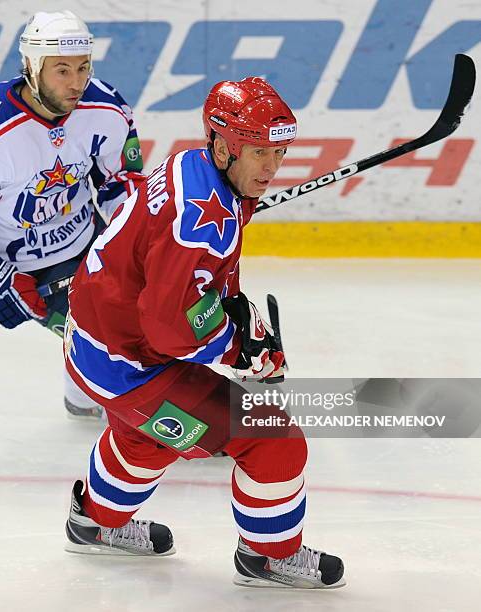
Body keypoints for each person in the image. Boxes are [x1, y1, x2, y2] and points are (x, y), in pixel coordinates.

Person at [62, 77, 346, 589]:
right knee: (272, 439)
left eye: (279, 152)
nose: (272, 168)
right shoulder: (199, 219)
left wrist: (236, 316)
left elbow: (194, 280)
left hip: (99, 344)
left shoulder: (191, 168)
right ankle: (267, 556)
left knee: (145, 438)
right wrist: (241, 352)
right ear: (222, 143)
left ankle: (95, 522)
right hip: (133, 363)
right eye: (259, 151)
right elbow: (172, 329)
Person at [0, 11, 145, 419]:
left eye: (83, 67)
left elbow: (119, 181)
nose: (76, 83)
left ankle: (83, 396)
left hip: (89, 240)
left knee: (153, 316)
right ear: (31, 67)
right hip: (25, 270)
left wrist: (138, 229)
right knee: (119, 347)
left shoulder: (106, 107)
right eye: (61, 70)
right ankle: (185, 426)